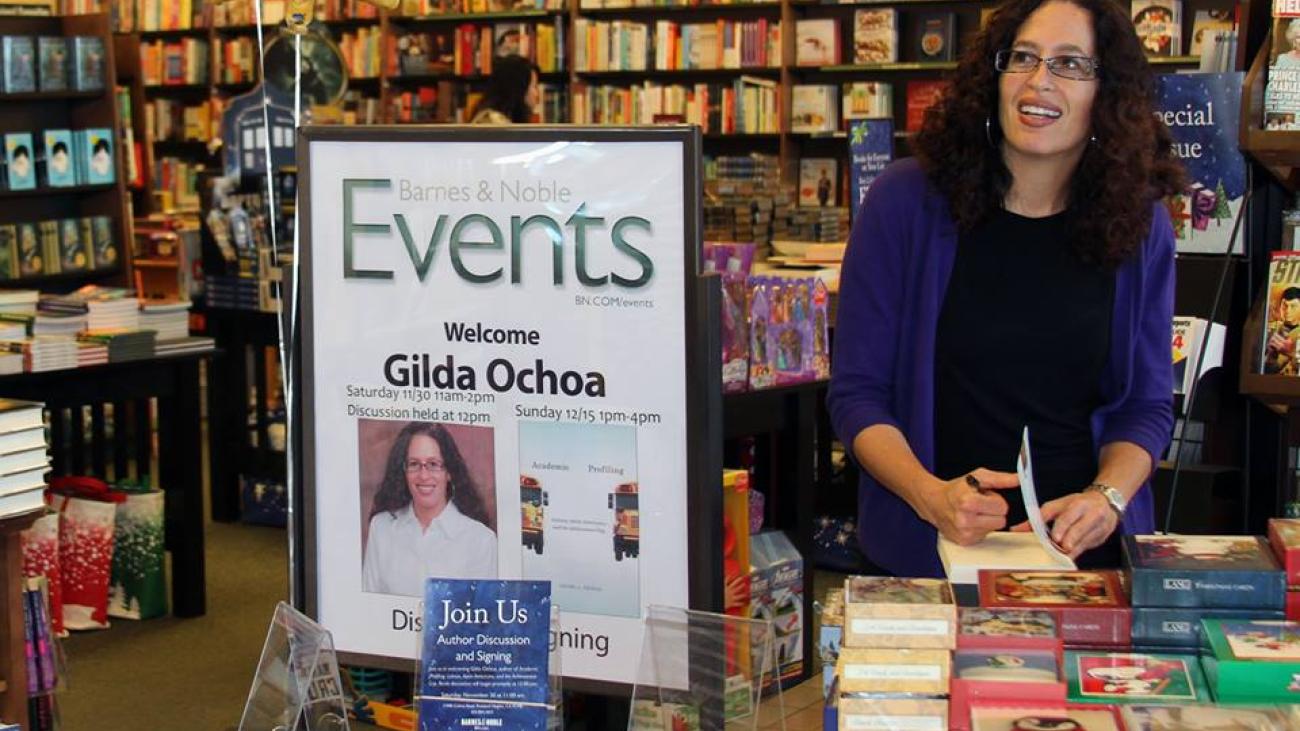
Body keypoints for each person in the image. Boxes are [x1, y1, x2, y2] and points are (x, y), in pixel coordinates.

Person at [828, 0, 1183, 576]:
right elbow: (857, 394)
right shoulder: (904, 202)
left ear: (1108, 92)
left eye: (1070, 64)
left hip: (1085, 566)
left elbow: (1144, 406)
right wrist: (929, 496)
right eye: (1023, 57)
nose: (1039, 81)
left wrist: (1106, 499)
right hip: (931, 555)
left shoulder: (1140, 227)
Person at [362, 422, 497, 597]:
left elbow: (483, 620)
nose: (423, 475)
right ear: (403, 470)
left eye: (433, 464)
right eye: (414, 464)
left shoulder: (482, 541)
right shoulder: (381, 527)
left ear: (449, 472)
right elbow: (368, 609)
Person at [470, 54, 540, 124]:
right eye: (534, 86)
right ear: (520, 89)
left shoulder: (503, 118)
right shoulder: (493, 122)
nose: (537, 94)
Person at [1266, 287, 1300, 375]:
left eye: (1293, 306)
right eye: (1285, 305)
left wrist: (1291, 352)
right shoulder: (1271, 329)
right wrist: (1271, 355)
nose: (1288, 311)